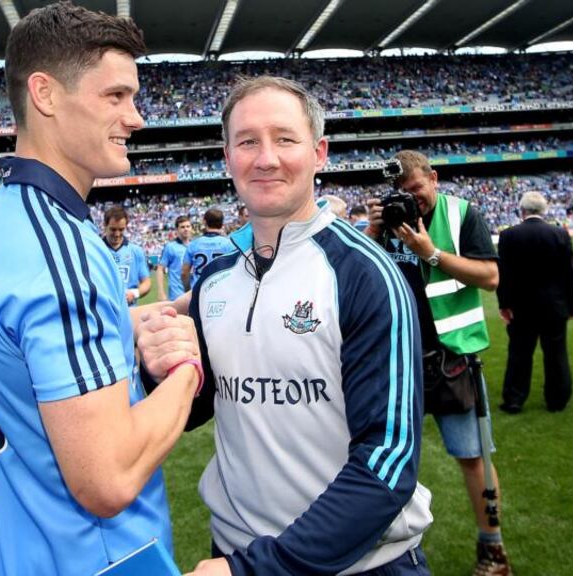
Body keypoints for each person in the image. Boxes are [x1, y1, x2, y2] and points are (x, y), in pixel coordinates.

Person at [0, 3, 201, 575]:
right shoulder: (56, 245)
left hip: (26, 550)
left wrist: (133, 322)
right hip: (103, 557)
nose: (135, 117)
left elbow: (34, 347)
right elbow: (107, 478)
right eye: (115, 97)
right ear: (45, 94)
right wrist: (188, 367)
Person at [169, 75, 431, 576]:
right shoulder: (215, 282)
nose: (265, 157)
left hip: (360, 566)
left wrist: (259, 569)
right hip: (237, 551)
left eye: (285, 139)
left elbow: (388, 461)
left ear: (319, 153)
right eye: (248, 141)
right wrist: (159, 370)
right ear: (228, 158)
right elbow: (201, 401)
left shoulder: (365, 274)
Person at [366, 149, 511, 575]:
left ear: (434, 177)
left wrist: (432, 253)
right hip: (397, 360)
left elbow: (490, 277)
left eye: (416, 189)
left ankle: (493, 549)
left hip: (453, 357)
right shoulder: (390, 221)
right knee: (381, 458)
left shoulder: (463, 214)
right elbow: (361, 274)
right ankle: (378, 545)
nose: (412, 198)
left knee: (472, 456)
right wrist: (374, 231)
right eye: (401, 192)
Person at [497, 191, 573, 413]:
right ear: (544, 210)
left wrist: (503, 304)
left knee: (519, 354)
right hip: (554, 306)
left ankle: (514, 399)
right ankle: (557, 399)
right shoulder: (560, 234)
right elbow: (570, 274)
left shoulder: (508, 236)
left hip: (521, 307)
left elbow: (503, 275)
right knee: (556, 353)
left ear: (522, 210)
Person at [103, 205, 151, 305]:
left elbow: (146, 282)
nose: (117, 234)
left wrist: (134, 293)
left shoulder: (136, 251)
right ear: (105, 225)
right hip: (104, 312)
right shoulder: (96, 250)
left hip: (130, 312)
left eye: (121, 229)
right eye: (113, 229)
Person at [182, 208, 236, 290]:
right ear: (222, 223)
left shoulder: (193, 244)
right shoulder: (230, 244)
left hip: (199, 291)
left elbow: (184, 273)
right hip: (222, 291)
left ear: (204, 222)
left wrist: (187, 290)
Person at [156, 215, 193, 300]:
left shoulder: (195, 246)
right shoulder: (170, 247)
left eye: (188, 226)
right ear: (177, 229)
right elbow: (160, 269)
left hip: (193, 294)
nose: (186, 229)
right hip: (177, 295)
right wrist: (161, 292)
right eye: (182, 227)